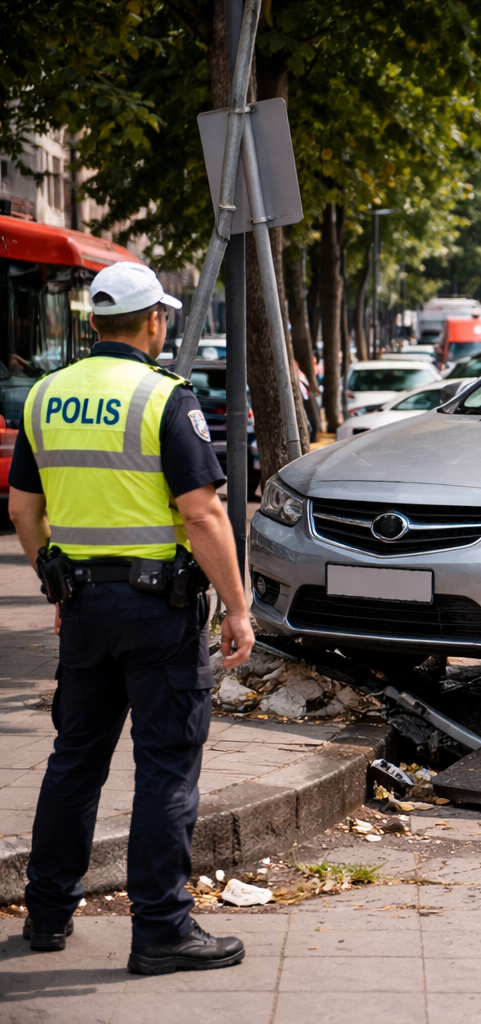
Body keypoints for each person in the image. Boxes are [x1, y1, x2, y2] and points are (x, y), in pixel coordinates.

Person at [7, 261, 255, 975]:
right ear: (153, 322)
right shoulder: (164, 399)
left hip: (83, 607)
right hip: (158, 611)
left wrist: (58, 585)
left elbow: (24, 510)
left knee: (75, 762)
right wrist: (237, 608)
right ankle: (161, 930)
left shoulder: (46, 397)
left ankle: (47, 915)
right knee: (166, 766)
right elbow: (202, 514)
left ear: (91, 324)